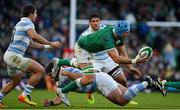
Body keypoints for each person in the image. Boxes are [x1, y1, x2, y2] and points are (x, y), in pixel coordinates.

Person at [52, 20, 150, 106]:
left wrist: (130, 68)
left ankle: (59, 62)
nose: (128, 34)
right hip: (83, 48)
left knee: (81, 67)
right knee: (89, 79)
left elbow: (123, 53)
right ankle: (63, 91)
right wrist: (135, 60)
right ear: (121, 32)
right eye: (127, 32)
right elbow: (116, 59)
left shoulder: (117, 34)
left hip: (92, 52)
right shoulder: (108, 38)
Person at [0, 5, 61, 108]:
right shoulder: (28, 23)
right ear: (31, 14)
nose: (36, 16)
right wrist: (51, 43)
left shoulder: (20, 23)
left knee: (16, 80)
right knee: (40, 70)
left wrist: (48, 46)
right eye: (35, 13)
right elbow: (34, 36)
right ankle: (25, 95)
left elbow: (31, 44)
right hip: (14, 56)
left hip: (9, 55)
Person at [43, 66, 166, 107]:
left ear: (55, 71)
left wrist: (67, 73)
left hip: (100, 81)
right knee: (127, 93)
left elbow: (84, 76)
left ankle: (147, 83)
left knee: (122, 101)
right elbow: (61, 97)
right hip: (100, 83)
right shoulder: (59, 82)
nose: (50, 77)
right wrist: (52, 103)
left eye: (51, 74)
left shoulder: (67, 70)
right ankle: (148, 83)